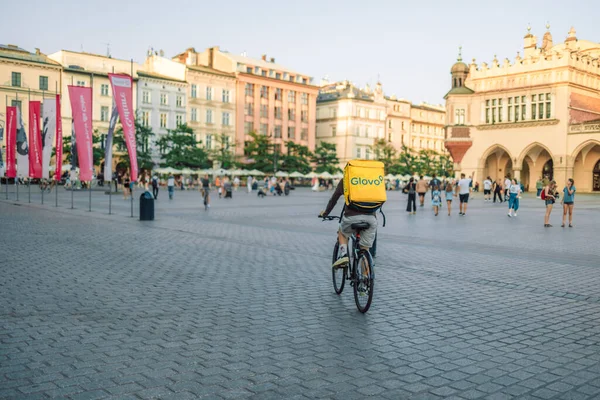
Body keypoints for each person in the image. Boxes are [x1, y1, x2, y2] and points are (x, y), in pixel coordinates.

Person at [319, 180, 378, 268]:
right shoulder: (372, 179)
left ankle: (343, 254)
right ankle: (366, 278)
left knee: (342, 232)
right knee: (365, 250)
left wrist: (326, 213)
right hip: (371, 218)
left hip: (351, 217)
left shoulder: (347, 179)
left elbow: (334, 199)